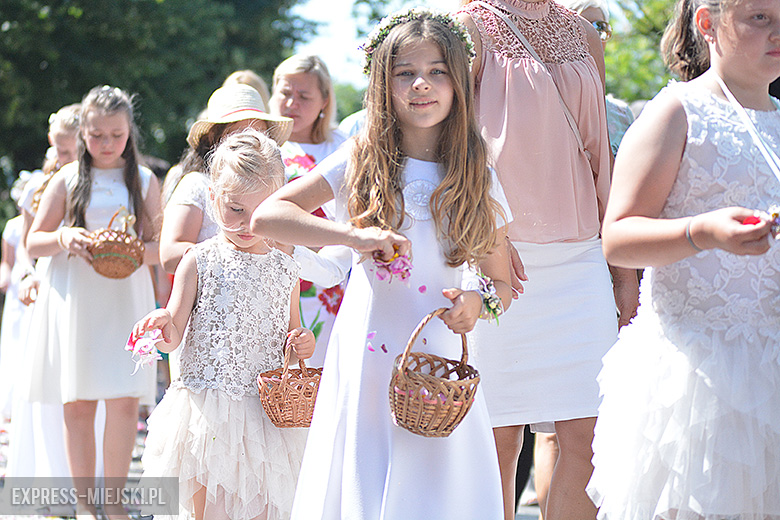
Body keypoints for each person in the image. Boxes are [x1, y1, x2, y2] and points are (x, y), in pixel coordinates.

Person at [252, 8, 514, 519]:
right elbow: (268, 216)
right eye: (405, 72)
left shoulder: (475, 173)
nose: (422, 84)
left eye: (437, 71)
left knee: (433, 487)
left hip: (436, 361)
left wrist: (475, 304)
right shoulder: (361, 157)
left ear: (459, 84)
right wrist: (353, 235)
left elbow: (500, 283)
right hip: (367, 353)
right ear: (383, 84)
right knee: (365, 475)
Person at [588, 0, 780, 517]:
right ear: (707, 24)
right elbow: (618, 236)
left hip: (772, 365)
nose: (777, 32)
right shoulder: (677, 111)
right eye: (760, 18)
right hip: (697, 374)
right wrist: (703, 231)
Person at [456, 1, 641, 519]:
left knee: (592, 441)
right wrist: (486, 232)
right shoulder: (468, 27)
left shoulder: (584, 33)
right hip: (494, 256)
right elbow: (451, 146)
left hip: (581, 257)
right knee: (495, 441)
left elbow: (600, 152)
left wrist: (622, 271)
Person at [132, 128, 315, 520]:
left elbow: (293, 335)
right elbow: (174, 335)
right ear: (214, 199)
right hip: (208, 414)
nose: (248, 224)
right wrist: (163, 324)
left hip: (265, 418)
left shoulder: (285, 269)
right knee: (211, 511)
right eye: (236, 210)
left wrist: (303, 343)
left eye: (260, 211)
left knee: (262, 509)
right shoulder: (199, 261)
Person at [25, 85, 161, 519]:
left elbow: (160, 246)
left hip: (125, 298)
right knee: (78, 401)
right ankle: (85, 504)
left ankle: (114, 502)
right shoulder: (66, 180)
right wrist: (64, 236)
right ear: (83, 133)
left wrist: (132, 249)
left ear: (129, 132)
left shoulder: (144, 181)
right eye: (97, 135)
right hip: (77, 300)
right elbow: (34, 241)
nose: (106, 144)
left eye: (116, 135)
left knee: (124, 401)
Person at [268, 54, 352, 365]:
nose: (292, 103)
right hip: (275, 275)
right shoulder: (262, 145)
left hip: (331, 280)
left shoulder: (344, 146)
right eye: (285, 93)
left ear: (324, 101)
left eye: (304, 96)